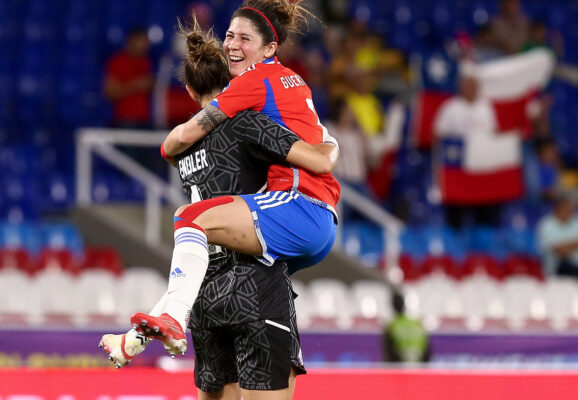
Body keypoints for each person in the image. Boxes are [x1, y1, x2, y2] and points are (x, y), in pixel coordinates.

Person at [101, 18, 336, 398]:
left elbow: (175, 146)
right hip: (257, 286)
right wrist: (330, 143)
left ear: (191, 90)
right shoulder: (247, 120)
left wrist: (134, 339)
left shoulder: (184, 148)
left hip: (206, 294)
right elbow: (315, 159)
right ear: (233, 83)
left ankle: (157, 326)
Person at [434, 74, 504, 229]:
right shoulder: (450, 107)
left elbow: (495, 134)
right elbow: (438, 136)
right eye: (468, 85)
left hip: (482, 168)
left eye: (474, 85)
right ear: (461, 86)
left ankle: (482, 247)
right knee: (456, 210)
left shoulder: (486, 107)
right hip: (459, 169)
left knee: (484, 210)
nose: (471, 89)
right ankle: (455, 245)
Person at [104, 28, 154, 128]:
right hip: (124, 121)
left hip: (145, 121)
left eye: (146, 42)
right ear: (131, 41)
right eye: (140, 41)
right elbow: (109, 92)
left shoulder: (148, 62)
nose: (144, 45)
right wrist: (136, 85)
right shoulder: (117, 62)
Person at [537, 193, 578, 277]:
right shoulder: (546, 224)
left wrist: (566, 245)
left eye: (570, 209)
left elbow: (562, 248)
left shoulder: (575, 222)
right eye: (566, 208)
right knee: (566, 265)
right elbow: (559, 251)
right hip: (557, 268)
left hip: (575, 265)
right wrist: (574, 244)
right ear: (557, 209)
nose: (569, 211)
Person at [383, 292, 430, 363]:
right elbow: (427, 350)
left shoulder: (392, 325)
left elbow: (388, 352)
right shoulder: (417, 322)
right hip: (419, 364)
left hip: (401, 366)